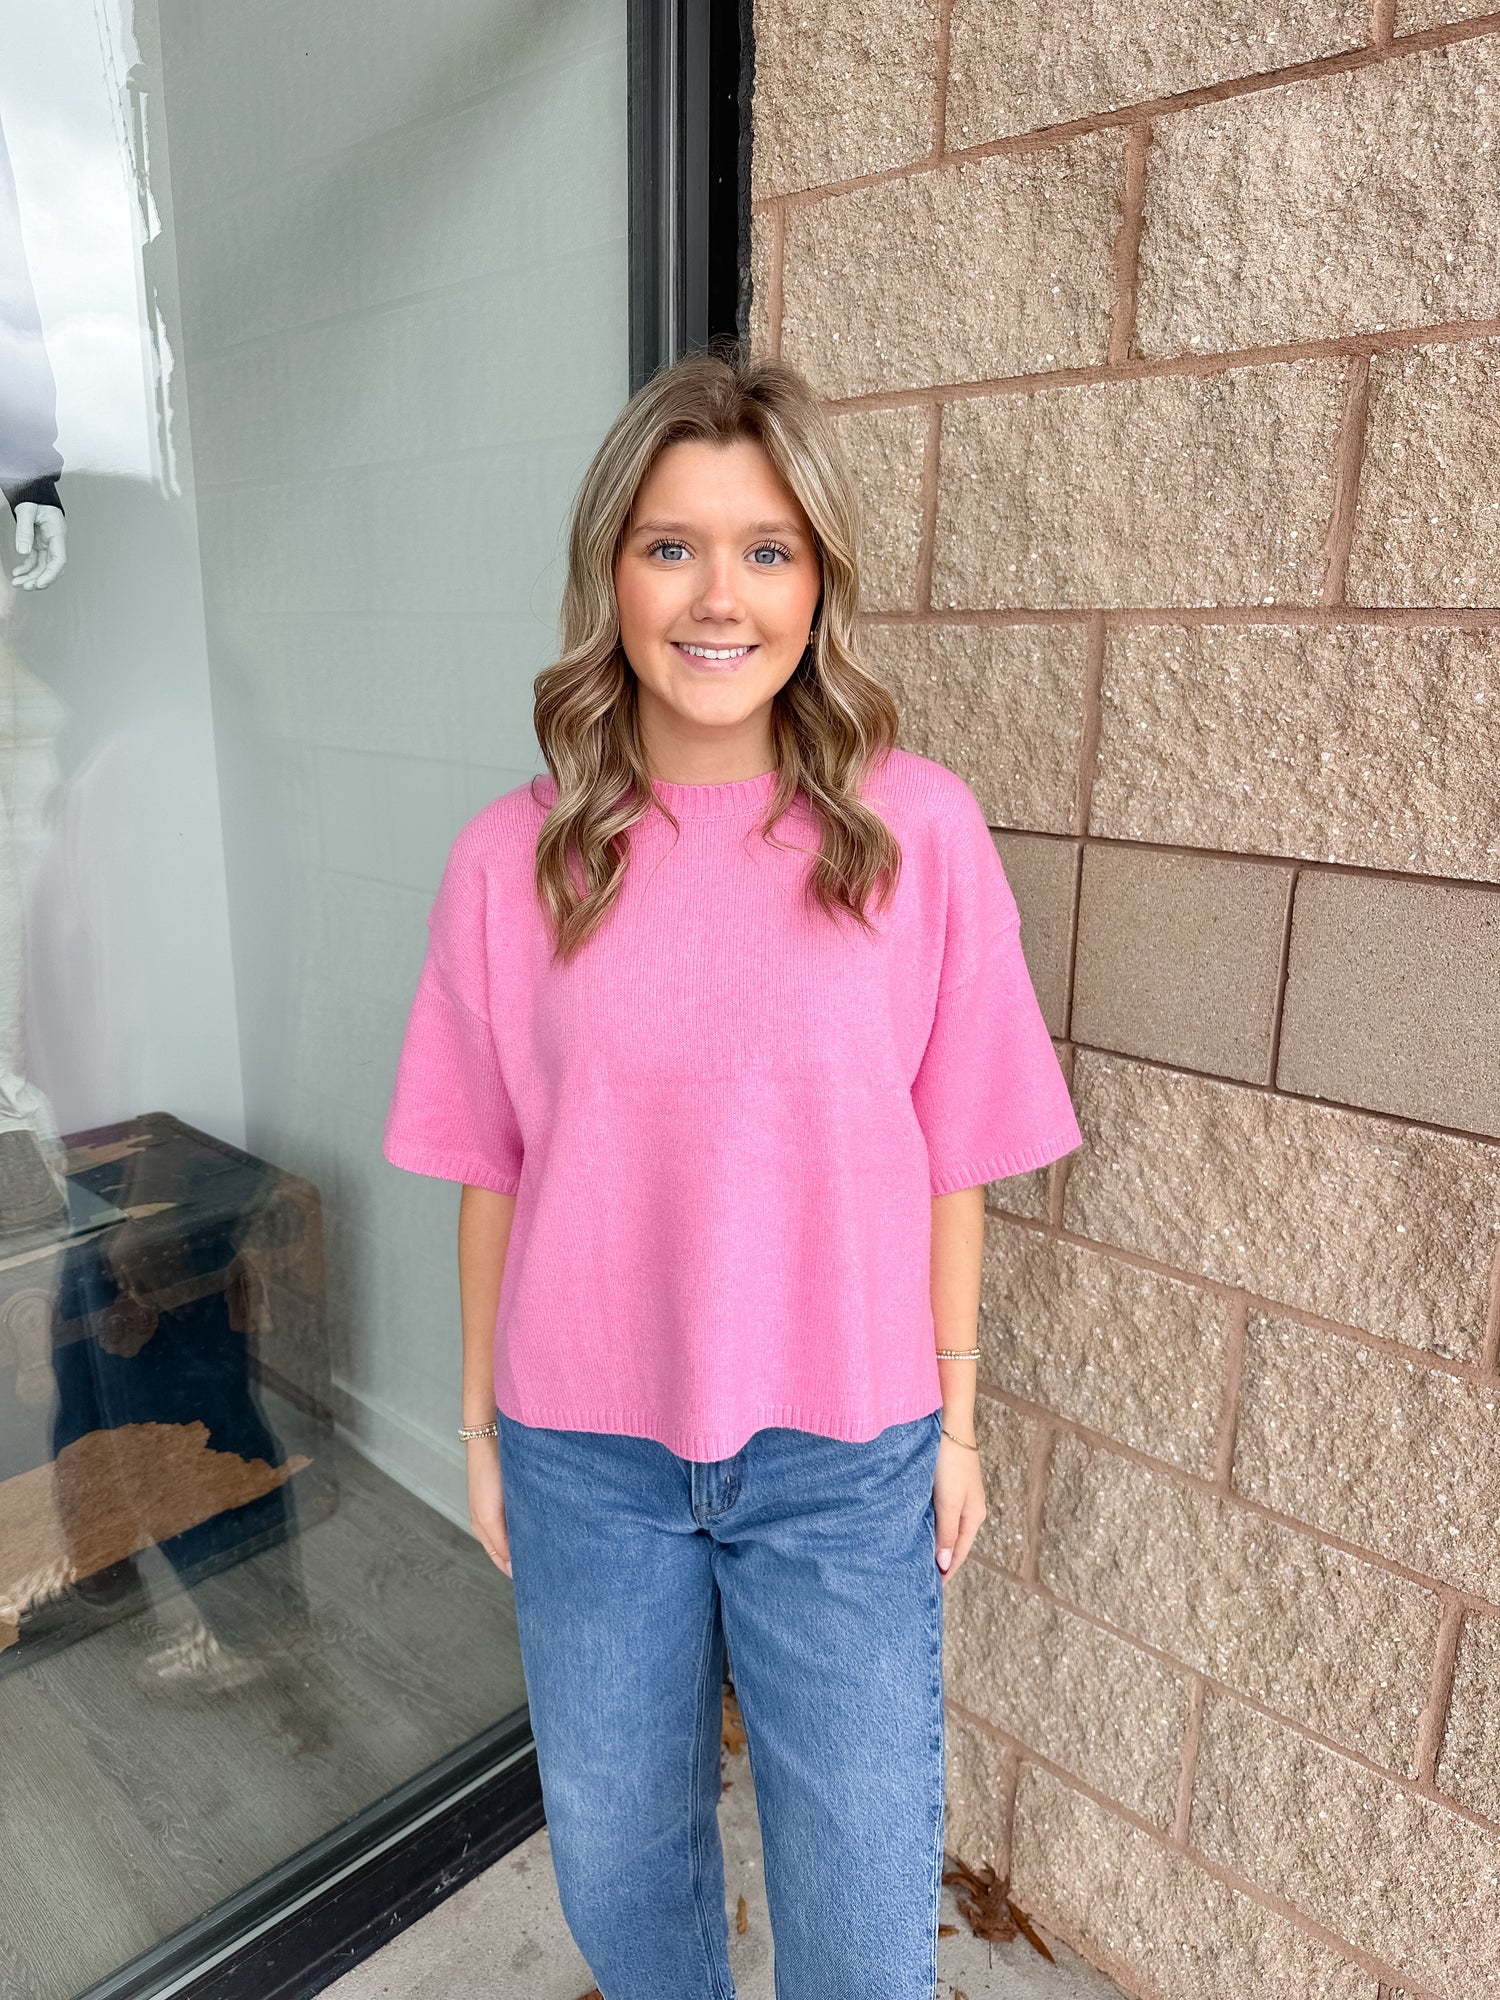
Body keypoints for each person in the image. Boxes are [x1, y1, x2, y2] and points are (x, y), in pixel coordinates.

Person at [381, 349, 1081, 1999]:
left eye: (768, 549)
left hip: (845, 1458)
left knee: (862, 1932)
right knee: (627, 1892)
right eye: (671, 546)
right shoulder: (512, 859)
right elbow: (492, 1166)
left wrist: (958, 1421)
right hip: (586, 1461)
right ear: (611, 574)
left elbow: (954, 1155)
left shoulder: (916, 836)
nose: (720, 596)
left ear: (818, 582)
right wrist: (479, 1430)